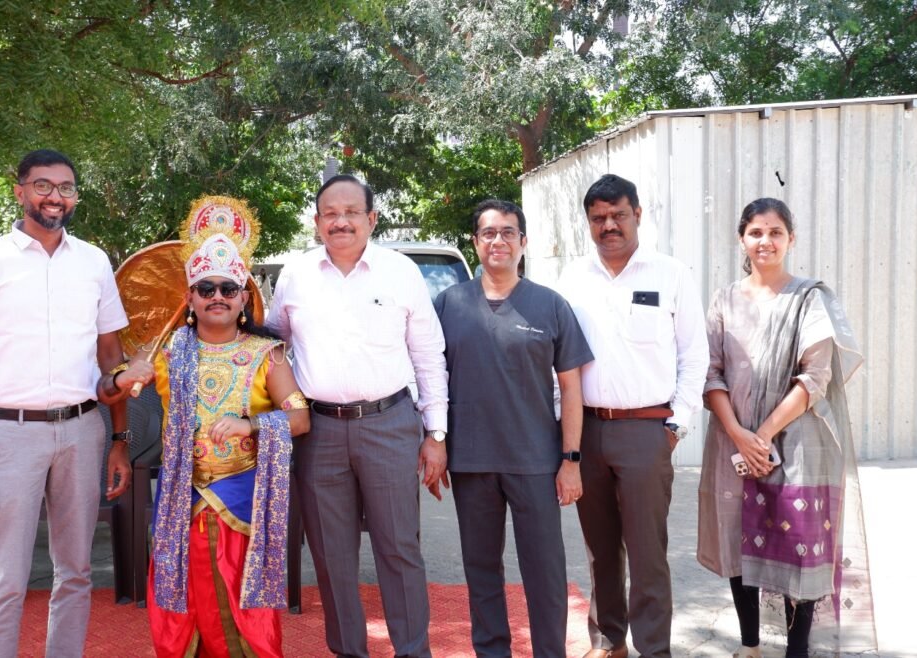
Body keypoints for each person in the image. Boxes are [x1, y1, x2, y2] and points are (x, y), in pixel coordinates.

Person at [0, 149, 132, 658]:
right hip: (10, 434)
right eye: (43, 185)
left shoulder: (94, 262)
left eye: (66, 187)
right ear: (20, 191)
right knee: (6, 575)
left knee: (75, 571)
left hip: (82, 430)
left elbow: (111, 357)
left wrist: (119, 441)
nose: (55, 196)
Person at [109, 198, 311, 657]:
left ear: (243, 296)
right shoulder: (166, 354)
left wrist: (249, 424)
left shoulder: (267, 354)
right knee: (183, 610)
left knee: (242, 610)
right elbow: (110, 393)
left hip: (242, 499)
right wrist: (125, 375)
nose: (216, 295)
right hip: (181, 499)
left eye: (227, 287)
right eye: (205, 288)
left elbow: (299, 419)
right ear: (190, 298)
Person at [266, 174, 448, 658]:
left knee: (399, 549)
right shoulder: (296, 274)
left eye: (351, 212)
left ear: (371, 219)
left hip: (390, 425)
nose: (341, 221)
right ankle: (349, 650)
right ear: (317, 222)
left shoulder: (400, 271)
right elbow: (272, 346)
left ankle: (412, 651)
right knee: (331, 556)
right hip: (317, 431)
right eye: (330, 213)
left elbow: (429, 355)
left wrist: (436, 432)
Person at [697, 198, 875, 658]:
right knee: (739, 543)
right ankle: (751, 645)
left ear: (791, 239)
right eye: (756, 232)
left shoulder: (810, 298)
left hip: (796, 442)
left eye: (775, 232)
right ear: (742, 239)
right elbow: (710, 373)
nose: (765, 241)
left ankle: (797, 651)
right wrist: (739, 435)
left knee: (800, 549)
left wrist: (763, 435)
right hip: (732, 441)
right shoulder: (724, 299)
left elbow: (816, 377)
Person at [556, 174, 708, 658]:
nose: (609, 226)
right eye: (599, 218)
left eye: (618, 215)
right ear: (588, 222)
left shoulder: (670, 274)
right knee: (600, 550)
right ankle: (608, 641)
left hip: (648, 430)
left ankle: (653, 648)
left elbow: (695, 354)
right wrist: (566, 436)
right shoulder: (572, 279)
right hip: (588, 429)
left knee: (647, 554)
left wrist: (676, 424)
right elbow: (558, 363)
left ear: (637, 214)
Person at [434, 199, 593, 658]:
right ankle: (492, 652)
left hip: (535, 462)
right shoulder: (449, 304)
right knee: (481, 570)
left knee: (545, 571)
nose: (498, 240)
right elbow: (431, 381)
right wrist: (438, 443)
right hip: (472, 461)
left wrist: (571, 460)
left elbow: (572, 388)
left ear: (523, 242)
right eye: (488, 233)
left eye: (508, 232)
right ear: (475, 242)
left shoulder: (550, 306)